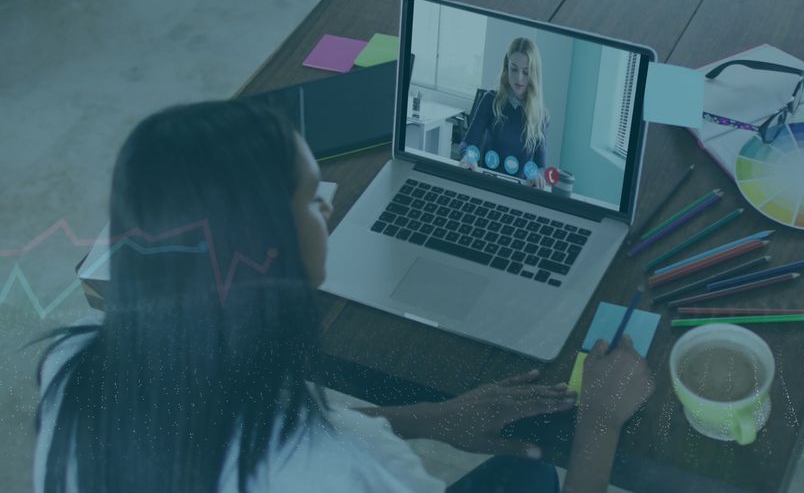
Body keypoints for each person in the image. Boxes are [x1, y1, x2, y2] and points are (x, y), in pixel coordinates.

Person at [31, 101, 653, 493]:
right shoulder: (341, 476)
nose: (329, 201)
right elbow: (311, 452)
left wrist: (433, 420)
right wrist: (600, 423)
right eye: (309, 196)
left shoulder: (75, 364)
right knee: (534, 473)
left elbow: (265, 429)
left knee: (524, 470)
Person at [459, 38, 549, 189]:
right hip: (486, 185)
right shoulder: (490, 100)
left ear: (534, 74)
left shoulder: (541, 116)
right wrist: (468, 157)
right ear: (506, 68)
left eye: (526, 72)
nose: (519, 78)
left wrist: (538, 175)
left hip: (519, 191)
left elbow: (541, 166)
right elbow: (468, 143)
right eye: (513, 69)